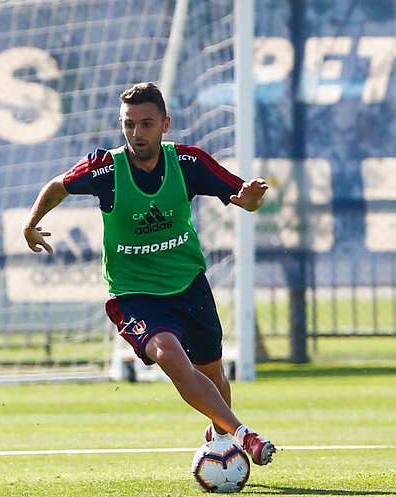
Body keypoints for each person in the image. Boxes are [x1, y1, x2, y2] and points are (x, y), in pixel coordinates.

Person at [22, 82, 275, 464]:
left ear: (165, 125)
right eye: (129, 124)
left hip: (189, 284)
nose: (136, 133)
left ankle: (220, 434)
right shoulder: (106, 168)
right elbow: (58, 186)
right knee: (169, 355)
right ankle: (245, 434)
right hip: (134, 293)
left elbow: (243, 195)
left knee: (213, 374)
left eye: (146, 124)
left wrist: (252, 203)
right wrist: (31, 222)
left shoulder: (188, 162)